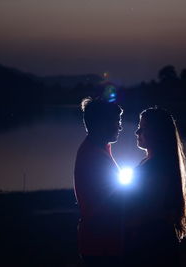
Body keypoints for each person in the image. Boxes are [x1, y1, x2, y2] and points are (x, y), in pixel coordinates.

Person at [124, 107, 186, 267]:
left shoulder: (159, 166)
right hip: (147, 239)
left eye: (142, 128)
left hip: (153, 243)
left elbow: (152, 209)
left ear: (157, 133)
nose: (137, 132)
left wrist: (126, 225)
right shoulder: (149, 162)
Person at [74, 97, 124, 267]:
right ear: (102, 123)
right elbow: (113, 201)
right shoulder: (95, 156)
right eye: (116, 121)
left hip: (100, 240)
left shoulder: (98, 149)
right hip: (101, 244)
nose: (120, 126)